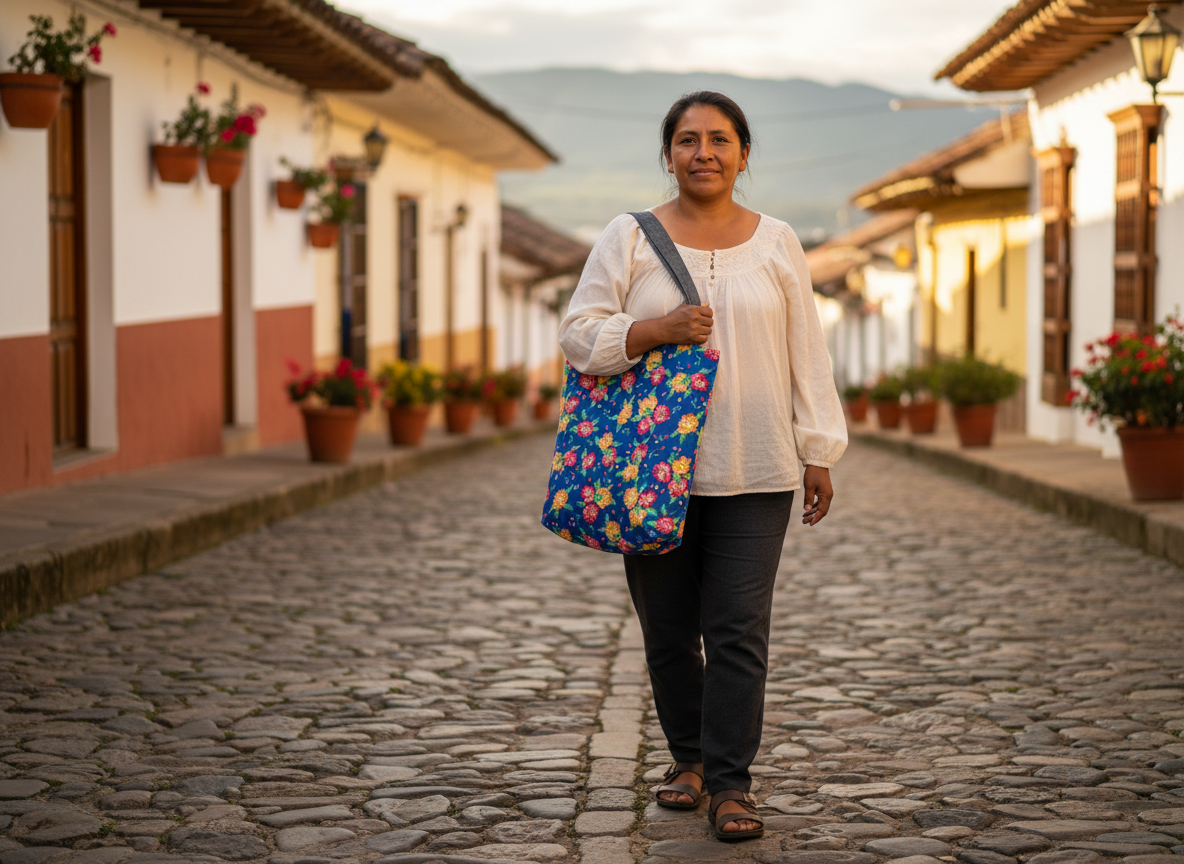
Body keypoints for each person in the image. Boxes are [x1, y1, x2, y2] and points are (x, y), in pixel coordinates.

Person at [558, 91, 847, 841]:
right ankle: (686, 759)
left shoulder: (779, 242)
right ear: (669, 155)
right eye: (688, 140)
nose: (704, 153)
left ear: (744, 154)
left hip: (758, 469)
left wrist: (818, 449)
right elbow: (579, 335)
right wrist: (654, 329)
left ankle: (730, 783)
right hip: (653, 475)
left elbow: (806, 354)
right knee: (668, 632)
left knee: (740, 631)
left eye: (720, 140)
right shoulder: (628, 238)